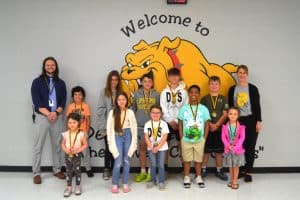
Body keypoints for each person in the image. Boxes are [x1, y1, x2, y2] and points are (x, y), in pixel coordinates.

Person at [31, 56, 66, 184]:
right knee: (38, 146)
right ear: (44, 67)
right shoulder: (37, 82)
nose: (50, 67)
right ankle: (36, 172)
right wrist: (49, 114)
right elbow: (36, 101)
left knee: (57, 145)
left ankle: (57, 170)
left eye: (52, 65)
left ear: (55, 66)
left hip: (57, 117)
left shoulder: (61, 83)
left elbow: (63, 100)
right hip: (42, 117)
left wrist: (56, 113)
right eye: (48, 65)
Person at [228, 65, 262, 182]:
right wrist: (231, 122)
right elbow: (230, 107)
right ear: (237, 74)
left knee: (250, 146)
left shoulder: (252, 89)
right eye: (239, 72)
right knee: (238, 147)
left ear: (247, 74)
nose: (241, 75)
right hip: (237, 121)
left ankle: (248, 172)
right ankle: (240, 170)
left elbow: (257, 106)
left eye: (243, 73)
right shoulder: (232, 89)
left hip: (251, 120)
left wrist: (259, 121)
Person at [178, 85, 210, 188]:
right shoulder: (184, 108)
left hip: (199, 139)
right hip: (186, 139)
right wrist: (181, 137)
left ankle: (198, 177)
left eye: (196, 92)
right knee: (187, 160)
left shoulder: (203, 109)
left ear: (199, 94)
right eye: (191, 92)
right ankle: (186, 177)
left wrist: (204, 137)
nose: (193, 94)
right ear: (189, 94)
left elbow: (207, 124)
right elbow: (180, 123)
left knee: (198, 160)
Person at [106, 92, 138, 193]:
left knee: (126, 160)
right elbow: (109, 128)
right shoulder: (112, 112)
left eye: (123, 99)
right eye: (119, 100)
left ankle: (125, 183)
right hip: (116, 135)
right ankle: (115, 184)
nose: (121, 101)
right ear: (116, 101)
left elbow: (134, 127)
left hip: (128, 134)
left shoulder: (130, 112)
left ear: (126, 101)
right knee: (118, 160)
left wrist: (134, 141)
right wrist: (109, 142)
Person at [132, 73, 160, 182]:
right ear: (141, 83)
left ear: (152, 83)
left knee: (152, 150)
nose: (147, 83)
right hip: (140, 126)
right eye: (145, 81)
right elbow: (134, 109)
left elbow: (158, 110)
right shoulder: (136, 94)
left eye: (149, 81)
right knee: (143, 150)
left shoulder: (156, 94)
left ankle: (151, 172)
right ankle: (143, 171)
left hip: (153, 127)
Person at [160, 68, 188, 172]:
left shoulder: (184, 92)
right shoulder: (164, 92)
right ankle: (165, 167)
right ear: (169, 77)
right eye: (172, 76)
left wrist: (177, 121)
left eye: (176, 76)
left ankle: (184, 167)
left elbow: (185, 107)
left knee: (182, 144)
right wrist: (170, 121)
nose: (174, 78)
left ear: (179, 77)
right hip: (167, 122)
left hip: (180, 122)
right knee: (164, 144)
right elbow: (163, 108)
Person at [200, 76, 228, 180]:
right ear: (208, 85)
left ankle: (219, 170)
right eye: (211, 84)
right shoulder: (204, 98)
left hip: (219, 128)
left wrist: (217, 125)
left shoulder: (223, 98)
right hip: (207, 128)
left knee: (219, 151)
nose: (214, 86)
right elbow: (202, 114)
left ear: (219, 86)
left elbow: (225, 114)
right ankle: (203, 169)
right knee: (206, 151)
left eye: (216, 84)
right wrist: (210, 124)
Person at [96, 70, 122, 180]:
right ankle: (107, 169)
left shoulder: (121, 92)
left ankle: (115, 168)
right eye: (112, 80)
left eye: (116, 80)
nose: (114, 82)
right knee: (108, 148)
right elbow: (100, 110)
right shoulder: (104, 92)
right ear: (109, 80)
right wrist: (103, 127)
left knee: (117, 148)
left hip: (118, 125)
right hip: (107, 125)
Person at [66, 86, 93, 177]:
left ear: (83, 96)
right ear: (73, 96)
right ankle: (73, 169)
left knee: (85, 152)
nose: (77, 96)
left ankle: (88, 168)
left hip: (83, 132)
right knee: (73, 152)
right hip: (73, 133)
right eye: (75, 94)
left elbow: (88, 119)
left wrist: (87, 132)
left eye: (79, 94)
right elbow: (68, 120)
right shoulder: (71, 106)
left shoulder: (85, 106)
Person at [61, 113, 88, 197]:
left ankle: (78, 186)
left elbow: (85, 144)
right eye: (69, 122)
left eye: (74, 122)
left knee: (77, 171)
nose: (71, 124)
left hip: (77, 155)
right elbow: (63, 144)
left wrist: (77, 150)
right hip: (68, 155)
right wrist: (66, 150)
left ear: (78, 123)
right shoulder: (65, 134)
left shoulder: (81, 134)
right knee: (68, 171)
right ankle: (68, 187)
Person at [144, 105, 169, 191]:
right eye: (153, 112)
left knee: (161, 164)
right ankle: (152, 180)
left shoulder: (164, 124)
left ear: (161, 114)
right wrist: (151, 147)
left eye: (158, 113)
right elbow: (146, 137)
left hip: (161, 148)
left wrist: (157, 147)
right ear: (150, 113)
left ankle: (161, 181)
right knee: (153, 164)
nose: (155, 114)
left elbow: (165, 137)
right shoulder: (147, 124)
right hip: (151, 148)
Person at [222, 107, 245, 189]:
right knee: (230, 166)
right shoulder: (224, 126)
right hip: (228, 149)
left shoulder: (241, 126)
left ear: (238, 115)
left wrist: (235, 147)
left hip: (237, 150)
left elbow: (242, 138)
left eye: (235, 114)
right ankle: (231, 180)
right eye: (230, 114)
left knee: (236, 166)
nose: (232, 116)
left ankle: (235, 181)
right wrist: (228, 146)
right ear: (228, 115)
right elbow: (223, 137)